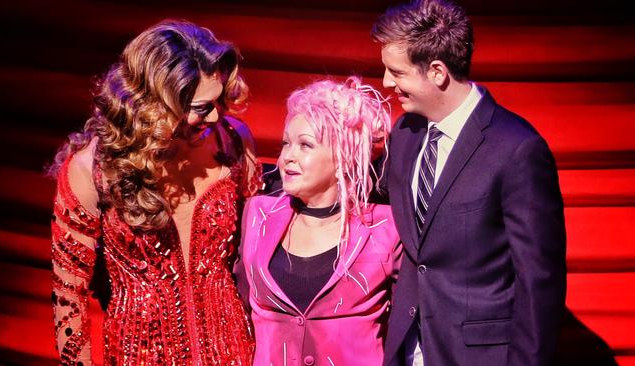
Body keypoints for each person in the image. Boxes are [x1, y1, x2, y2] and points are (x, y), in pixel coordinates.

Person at [48, 20, 262, 365]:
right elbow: (68, 300)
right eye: (200, 108)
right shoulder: (94, 168)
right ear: (154, 103)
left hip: (234, 350)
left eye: (219, 99)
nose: (215, 116)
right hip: (140, 353)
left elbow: (258, 254)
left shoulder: (234, 140)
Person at [371, 1, 567, 365]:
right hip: (407, 348)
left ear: (436, 72)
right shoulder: (405, 134)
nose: (385, 82)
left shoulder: (517, 149)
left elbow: (539, 280)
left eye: (395, 72)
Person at [235, 77, 402, 365]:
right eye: (286, 143)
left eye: (305, 145)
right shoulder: (257, 215)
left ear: (343, 158)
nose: (288, 157)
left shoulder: (386, 228)